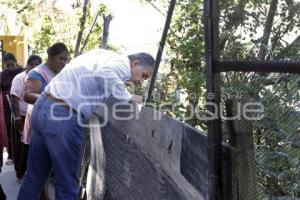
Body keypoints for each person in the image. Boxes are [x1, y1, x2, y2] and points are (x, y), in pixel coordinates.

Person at [17, 49, 154, 199]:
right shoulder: (121, 63)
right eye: (144, 76)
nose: (141, 82)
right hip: (62, 116)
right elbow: (105, 74)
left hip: (43, 107)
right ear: (135, 63)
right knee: (67, 183)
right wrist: (130, 98)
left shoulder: (101, 55)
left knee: (35, 175)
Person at [22, 43, 69, 200]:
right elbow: (28, 95)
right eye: (61, 58)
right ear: (51, 56)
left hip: (53, 123)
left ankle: (43, 196)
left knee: (43, 169)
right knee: (37, 169)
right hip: (41, 123)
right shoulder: (38, 73)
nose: (63, 62)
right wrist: (49, 99)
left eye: (66, 60)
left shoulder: (59, 73)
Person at [10, 55, 42, 182]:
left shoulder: (38, 78)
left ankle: (30, 171)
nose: (35, 68)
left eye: (38, 65)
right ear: (28, 65)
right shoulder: (20, 78)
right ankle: (19, 173)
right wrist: (17, 117)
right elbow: (14, 98)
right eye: (33, 65)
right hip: (21, 117)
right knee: (20, 146)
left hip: (33, 116)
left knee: (30, 146)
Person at [0, 53, 23, 165]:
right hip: (6, 107)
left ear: (15, 61)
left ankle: (21, 155)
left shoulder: (22, 72)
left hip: (19, 106)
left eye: (11, 65)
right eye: (7, 66)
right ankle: (11, 155)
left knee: (20, 131)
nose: (10, 68)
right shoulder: (3, 74)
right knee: (9, 131)